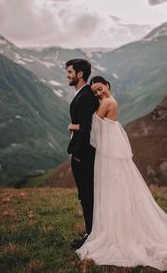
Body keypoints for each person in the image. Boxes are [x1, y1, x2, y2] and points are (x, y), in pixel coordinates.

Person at [69, 75, 167, 271]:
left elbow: (92, 126)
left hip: (108, 150)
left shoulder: (106, 103)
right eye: (95, 91)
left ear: (107, 85)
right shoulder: (110, 101)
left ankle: (116, 229)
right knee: (116, 185)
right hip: (112, 146)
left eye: (100, 88)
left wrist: (73, 126)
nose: (98, 93)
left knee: (111, 185)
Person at [66, 59, 99, 249]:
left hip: (83, 155)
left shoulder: (85, 96)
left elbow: (86, 129)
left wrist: (78, 155)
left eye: (70, 72)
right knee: (86, 195)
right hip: (82, 154)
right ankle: (92, 232)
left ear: (79, 74)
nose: (67, 75)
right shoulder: (83, 94)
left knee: (86, 195)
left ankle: (91, 235)